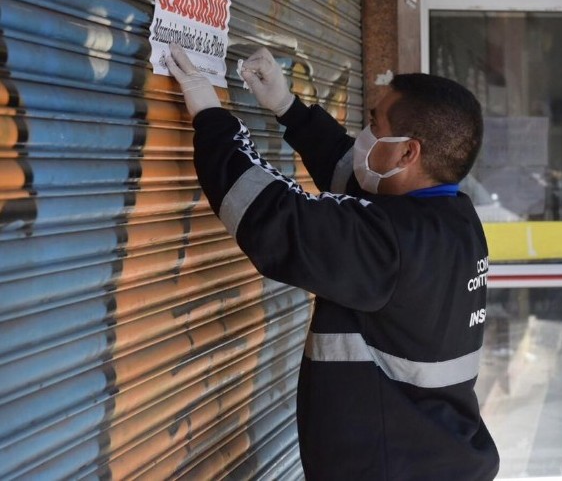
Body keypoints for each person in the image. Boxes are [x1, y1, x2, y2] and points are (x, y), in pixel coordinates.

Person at [165, 43, 500, 480]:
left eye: (374, 124)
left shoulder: (390, 243)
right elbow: (360, 186)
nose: (365, 133)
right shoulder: (453, 220)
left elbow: (275, 219)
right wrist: (289, 110)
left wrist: (211, 119)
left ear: (407, 153)